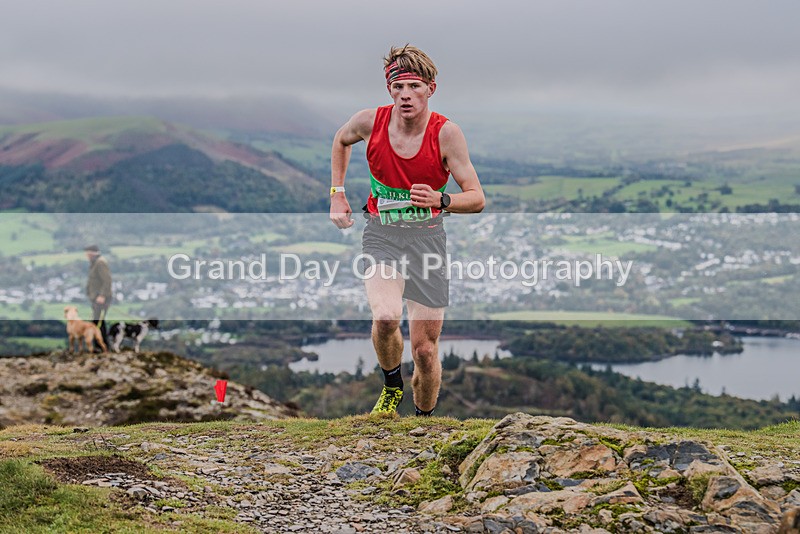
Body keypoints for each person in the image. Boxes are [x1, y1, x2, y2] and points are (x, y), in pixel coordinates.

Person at [330, 45, 485, 416]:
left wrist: (441, 199)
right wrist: (337, 193)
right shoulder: (370, 122)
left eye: (414, 86)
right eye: (397, 87)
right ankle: (391, 386)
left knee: (425, 351)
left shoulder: (446, 134)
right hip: (381, 234)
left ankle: (423, 422)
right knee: (385, 317)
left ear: (431, 88)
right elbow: (341, 140)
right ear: (389, 89)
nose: (405, 95)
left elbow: (477, 198)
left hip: (427, 240)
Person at [84, 244, 112, 351]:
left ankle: (102, 346)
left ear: (92, 253)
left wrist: (102, 295)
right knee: (97, 321)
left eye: (87, 252)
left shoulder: (100, 263)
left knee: (98, 322)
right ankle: (99, 346)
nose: (86, 255)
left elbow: (107, 280)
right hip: (96, 298)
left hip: (101, 299)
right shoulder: (94, 263)